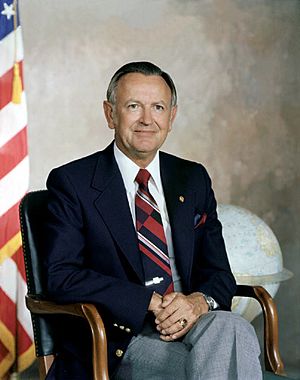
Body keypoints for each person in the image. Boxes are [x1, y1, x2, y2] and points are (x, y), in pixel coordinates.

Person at [44, 61, 262, 379]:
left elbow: (219, 275)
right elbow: (61, 276)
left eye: (158, 107)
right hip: (121, 338)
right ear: (110, 113)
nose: (147, 120)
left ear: (171, 117)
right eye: (134, 106)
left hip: (194, 322)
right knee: (220, 359)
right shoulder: (72, 182)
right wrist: (148, 301)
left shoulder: (193, 178)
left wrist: (199, 303)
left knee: (232, 327)